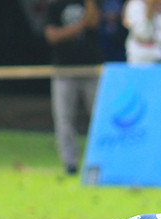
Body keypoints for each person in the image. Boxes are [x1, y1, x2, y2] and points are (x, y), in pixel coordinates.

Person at [44, 0, 103, 175]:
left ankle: (99, 160)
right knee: (64, 119)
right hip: (64, 70)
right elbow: (52, 36)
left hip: (90, 70)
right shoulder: (55, 6)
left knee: (98, 117)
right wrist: (79, 26)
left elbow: (94, 23)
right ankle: (70, 164)